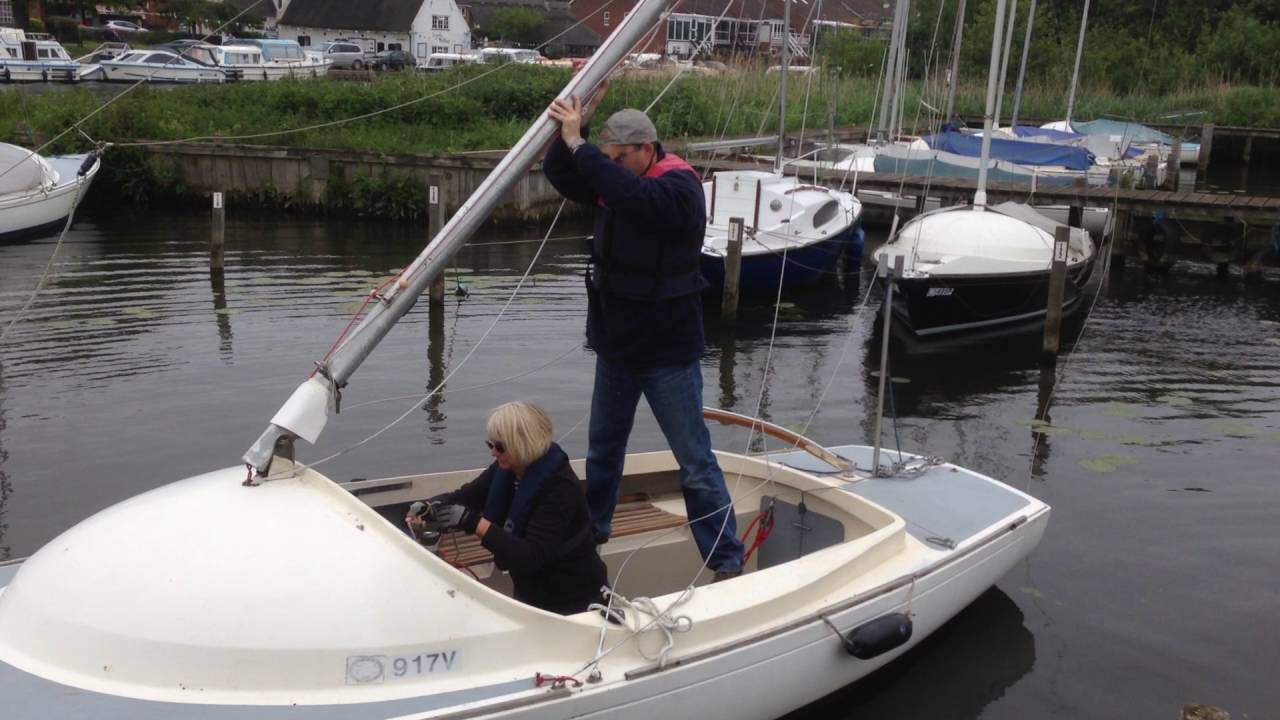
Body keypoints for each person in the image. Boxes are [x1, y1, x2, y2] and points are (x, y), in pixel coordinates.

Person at [543, 94, 746, 581]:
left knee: (694, 461)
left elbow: (635, 200)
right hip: (617, 344)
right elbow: (563, 174)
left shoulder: (677, 188)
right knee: (603, 451)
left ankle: (726, 561)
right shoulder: (616, 181)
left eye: (619, 157)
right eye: (607, 158)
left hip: (667, 351)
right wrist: (570, 132)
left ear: (647, 149)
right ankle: (593, 533)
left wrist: (584, 147)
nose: (610, 167)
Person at [408, 402, 608, 615]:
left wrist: (476, 523)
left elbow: (531, 557)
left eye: (500, 446)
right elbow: (468, 496)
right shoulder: (508, 468)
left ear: (522, 444)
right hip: (531, 594)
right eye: (490, 444)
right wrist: (430, 507)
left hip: (574, 599)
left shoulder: (561, 488)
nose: (493, 452)